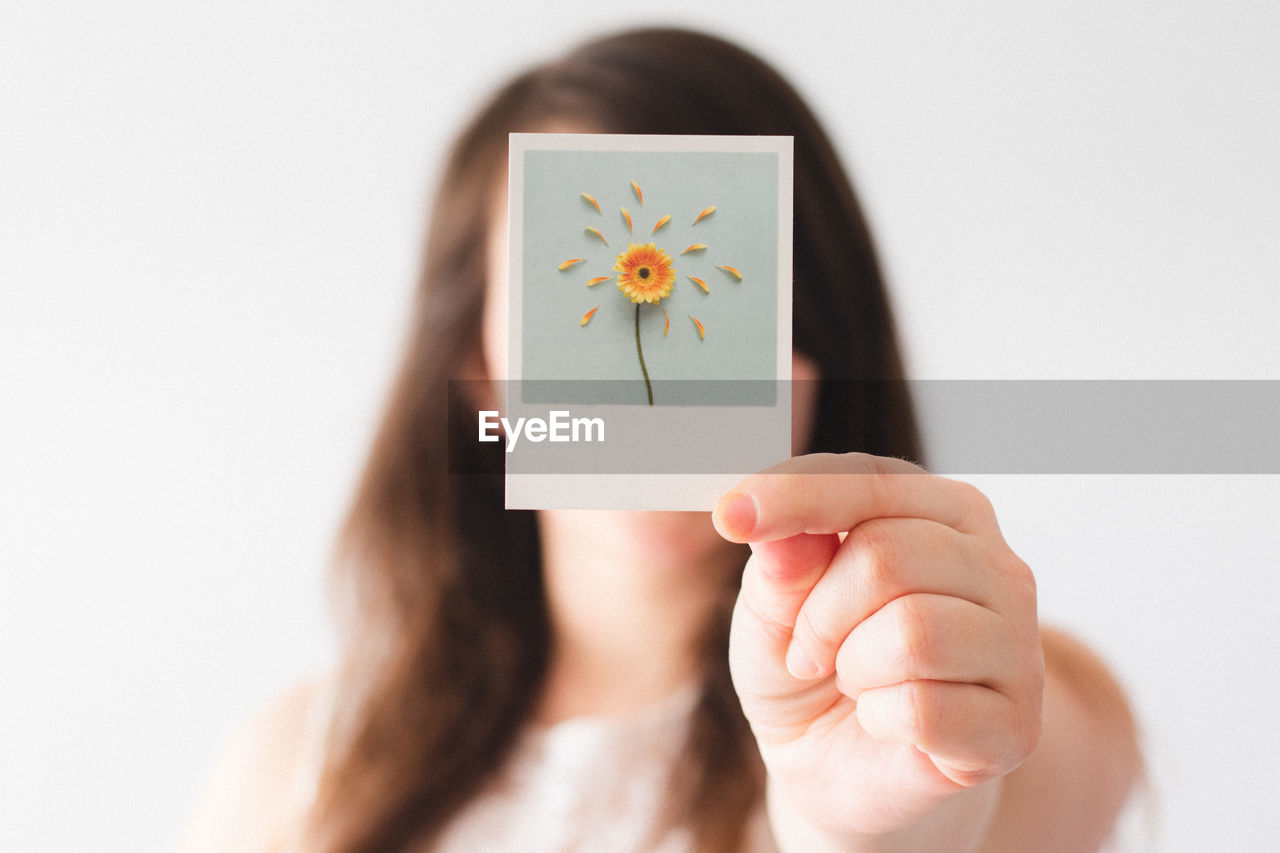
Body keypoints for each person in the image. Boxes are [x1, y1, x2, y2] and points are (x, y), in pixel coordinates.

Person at [177, 27, 1141, 853]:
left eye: (732, 294)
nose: (666, 372)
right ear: (476, 368)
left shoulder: (990, 682)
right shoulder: (299, 768)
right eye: (572, 301)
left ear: (819, 340)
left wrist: (873, 817)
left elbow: (961, 800)